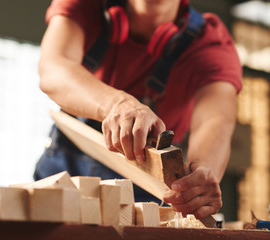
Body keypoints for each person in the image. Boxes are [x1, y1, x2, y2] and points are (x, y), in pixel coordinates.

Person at [34, 0, 242, 220]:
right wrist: (117, 104)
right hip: (68, 157)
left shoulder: (211, 41)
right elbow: (54, 70)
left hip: (148, 184)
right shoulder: (86, 5)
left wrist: (203, 172)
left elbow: (215, 119)